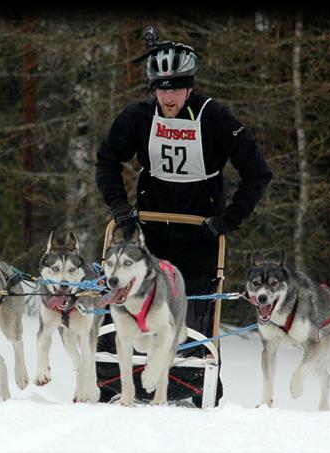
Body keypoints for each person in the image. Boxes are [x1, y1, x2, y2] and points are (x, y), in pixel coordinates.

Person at [94, 27, 273, 404]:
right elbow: (107, 161)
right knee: (127, 299)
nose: (168, 96)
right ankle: (116, 378)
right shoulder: (138, 117)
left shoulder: (216, 118)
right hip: (149, 235)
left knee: (192, 314)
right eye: (161, 87)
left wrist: (227, 221)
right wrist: (121, 210)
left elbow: (258, 172)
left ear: (190, 87)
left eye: (176, 87)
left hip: (199, 234)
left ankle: (193, 384)